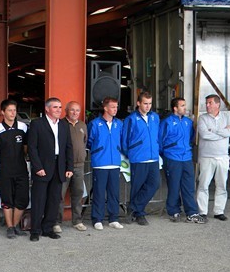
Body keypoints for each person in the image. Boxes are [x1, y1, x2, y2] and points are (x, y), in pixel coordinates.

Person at [27, 97, 74, 241]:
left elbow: (68, 147)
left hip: (59, 166)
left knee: (54, 200)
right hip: (42, 167)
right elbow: (32, 148)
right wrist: (37, 167)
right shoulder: (37, 124)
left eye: (60, 107)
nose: (59, 110)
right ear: (47, 109)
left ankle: (47, 228)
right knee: (39, 200)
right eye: (55, 107)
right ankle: (35, 230)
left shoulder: (64, 125)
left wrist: (69, 167)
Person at [159, 97, 205, 224]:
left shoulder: (188, 122)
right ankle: (173, 211)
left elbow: (191, 137)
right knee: (174, 186)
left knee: (189, 186)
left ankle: (192, 213)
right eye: (182, 105)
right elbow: (160, 140)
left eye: (185, 105)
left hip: (186, 157)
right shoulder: (167, 122)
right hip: (172, 157)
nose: (185, 108)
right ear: (175, 108)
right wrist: (166, 154)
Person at [0, 99, 30, 239]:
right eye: (10, 110)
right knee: (7, 199)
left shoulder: (23, 127)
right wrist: (0, 165)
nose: (13, 113)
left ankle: (15, 225)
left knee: (22, 199)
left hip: (21, 169)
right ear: (3, 112)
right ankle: (10, 228)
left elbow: (26, 147)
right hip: (5, 171)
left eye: (14, 110)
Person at [122, 91, 160, 226]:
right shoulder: (131, 119)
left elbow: (157, 135)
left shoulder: (155, 117)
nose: (148, 106)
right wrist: (131, 153)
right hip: (138, 158)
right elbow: (125, 139)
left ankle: (132, 207)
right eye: (145, 103)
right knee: (137, 187)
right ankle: (139, 214)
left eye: (150, 103)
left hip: (153, 158)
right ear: (138, 103)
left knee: (155, 184)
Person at [87, 96, 124, 230]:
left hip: (115, 162)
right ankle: (97, 219)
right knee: (99, 192)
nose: (115, 109)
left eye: (116, 107)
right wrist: (98, 151)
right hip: (100, 163)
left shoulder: (119, 123)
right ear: (105, 108)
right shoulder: (95, 124)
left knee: (114, 192)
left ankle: (114, 218)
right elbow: (89, 141)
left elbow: (122, 139)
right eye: (112, 107)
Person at [196, 94, 230, 221]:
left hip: (222, 157)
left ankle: (219, 211)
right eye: (207, 103)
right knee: (203, 184)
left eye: (210, 103)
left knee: (222, 185)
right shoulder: (202, 118)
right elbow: (204, 134)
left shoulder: (227, 116)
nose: (207, 105)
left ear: (218, 104)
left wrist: (213, 130)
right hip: (206, 157)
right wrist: (222, 133)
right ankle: (202, 211)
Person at [55, 101, 88, 232]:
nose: (75, 113)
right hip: (64, 166)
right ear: (66, 111)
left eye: (77, 110)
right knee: (59, 194)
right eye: (72, 110)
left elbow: (84, 142)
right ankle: (56, 222)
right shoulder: (60, 124)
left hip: (79, 166)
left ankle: (77, 221)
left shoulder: (82, 125)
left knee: (78, 194)